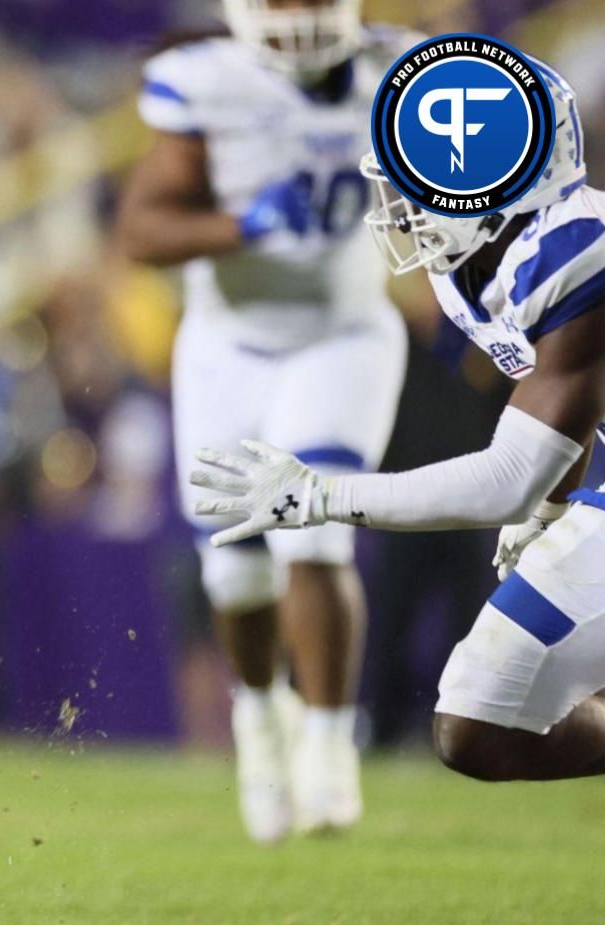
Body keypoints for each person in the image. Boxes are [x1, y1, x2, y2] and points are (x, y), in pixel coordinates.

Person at [190, 61, 605, 782]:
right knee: (481, 720)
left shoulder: (575, 253)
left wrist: (321, 496)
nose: (403, 203)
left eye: (421, 179)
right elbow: (566, 403)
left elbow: (507, 475)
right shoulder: (493, 261)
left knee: (482, 715)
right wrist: (549, 510)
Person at [115, 0, 413, 843]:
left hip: (343, 334)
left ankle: (328, 744)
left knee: (314, 533)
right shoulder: (204, 81)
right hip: (228, 347)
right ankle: (259, 719)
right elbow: (140, 229)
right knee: (235, 575)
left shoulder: (408, 71)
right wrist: (240, 223)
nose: (301, 15)